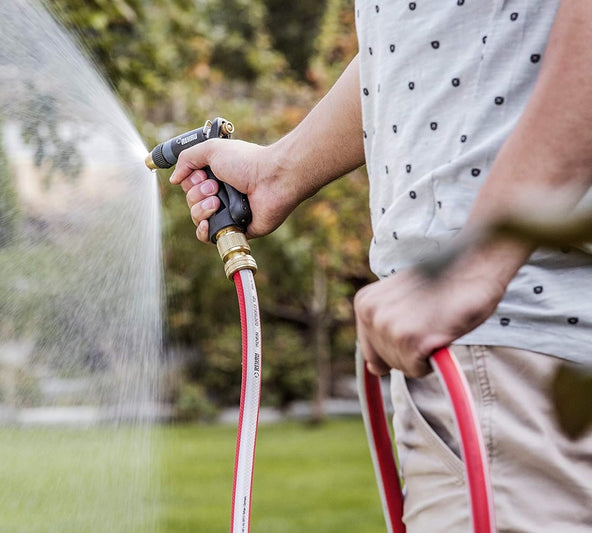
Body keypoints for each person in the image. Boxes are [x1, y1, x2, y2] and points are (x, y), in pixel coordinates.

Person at [169, 1, 592, 531]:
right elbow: (422, 38)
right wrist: (280, 170)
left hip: (514, 338)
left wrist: (475, 263)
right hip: (493, 349)